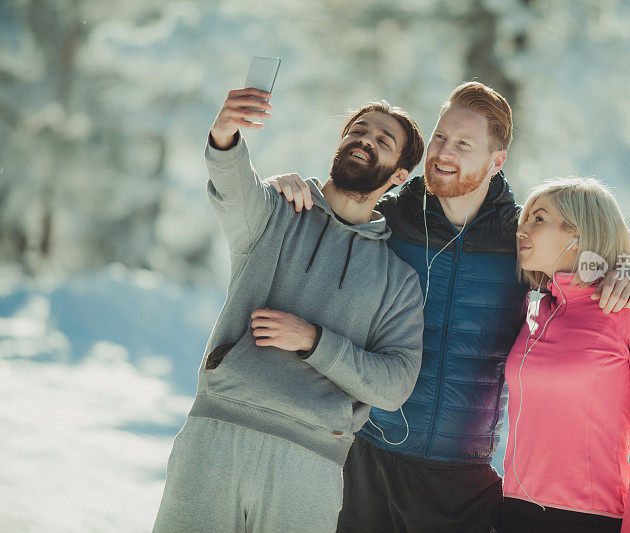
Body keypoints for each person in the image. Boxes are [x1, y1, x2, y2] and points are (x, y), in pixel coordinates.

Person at [270, 82, 630, 533]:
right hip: (365, 458)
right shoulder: (393, 218)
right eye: (440, 138)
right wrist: (287, 186)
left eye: (463, 144)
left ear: (497, 160)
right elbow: (330, 216)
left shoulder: (520, 242)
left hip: (462, 478)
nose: (443, 153)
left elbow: (584, 281)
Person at [152, 88, 426, 532]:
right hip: (216, 435)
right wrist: (224, 135)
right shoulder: (275, 214)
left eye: (383, 140)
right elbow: (234, 187)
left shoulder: (397, 282)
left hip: (310, 463)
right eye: (358, 131)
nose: (365, 140)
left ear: (398, 175)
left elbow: (394, 384)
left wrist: (314, 341)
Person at [502, 177, 630, 533]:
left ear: (577, 234)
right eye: (525, 219)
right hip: (513, 511)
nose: (522, 229)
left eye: (539, 219)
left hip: (591, 520)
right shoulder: (535, 311)